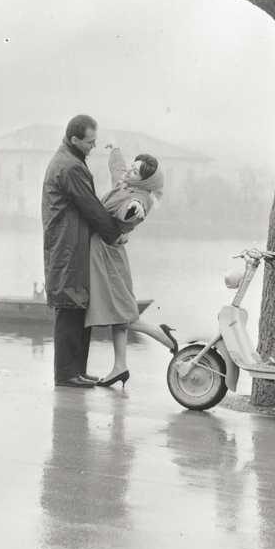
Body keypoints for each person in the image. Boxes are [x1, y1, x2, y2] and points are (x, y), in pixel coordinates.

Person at [85, 143, 178, 388]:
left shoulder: (140, 197)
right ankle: (120, 366)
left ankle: (161, 335)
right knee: (119, 314)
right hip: (104, 253)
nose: (129, 172)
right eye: (133, 167)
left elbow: (134, 210)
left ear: (145, 182)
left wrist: (133, 210)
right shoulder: (125, 184)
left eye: (136, 172)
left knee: (121, 313)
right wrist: (115, 150)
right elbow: (118, 169)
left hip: (109, 257)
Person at [42, 115, 124, 388]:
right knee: (69, 307)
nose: (93, 147)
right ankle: (66, 374)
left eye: (95, 141)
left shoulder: (69, 159)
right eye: (90, 142)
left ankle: (77, 370)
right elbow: (90, 206)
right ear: (75, 139)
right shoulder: (71, 167)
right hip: (68, 246)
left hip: (70, 244)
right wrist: (115, 233)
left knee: (78, 305)